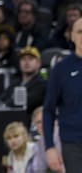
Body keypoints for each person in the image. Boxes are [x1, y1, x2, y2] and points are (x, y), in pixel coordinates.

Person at [43, 17, 82, 173]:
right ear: (72, 36)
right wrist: (49, 147)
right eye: (80, 32)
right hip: (73, 144)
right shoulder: (61, 69)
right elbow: (48, 110)